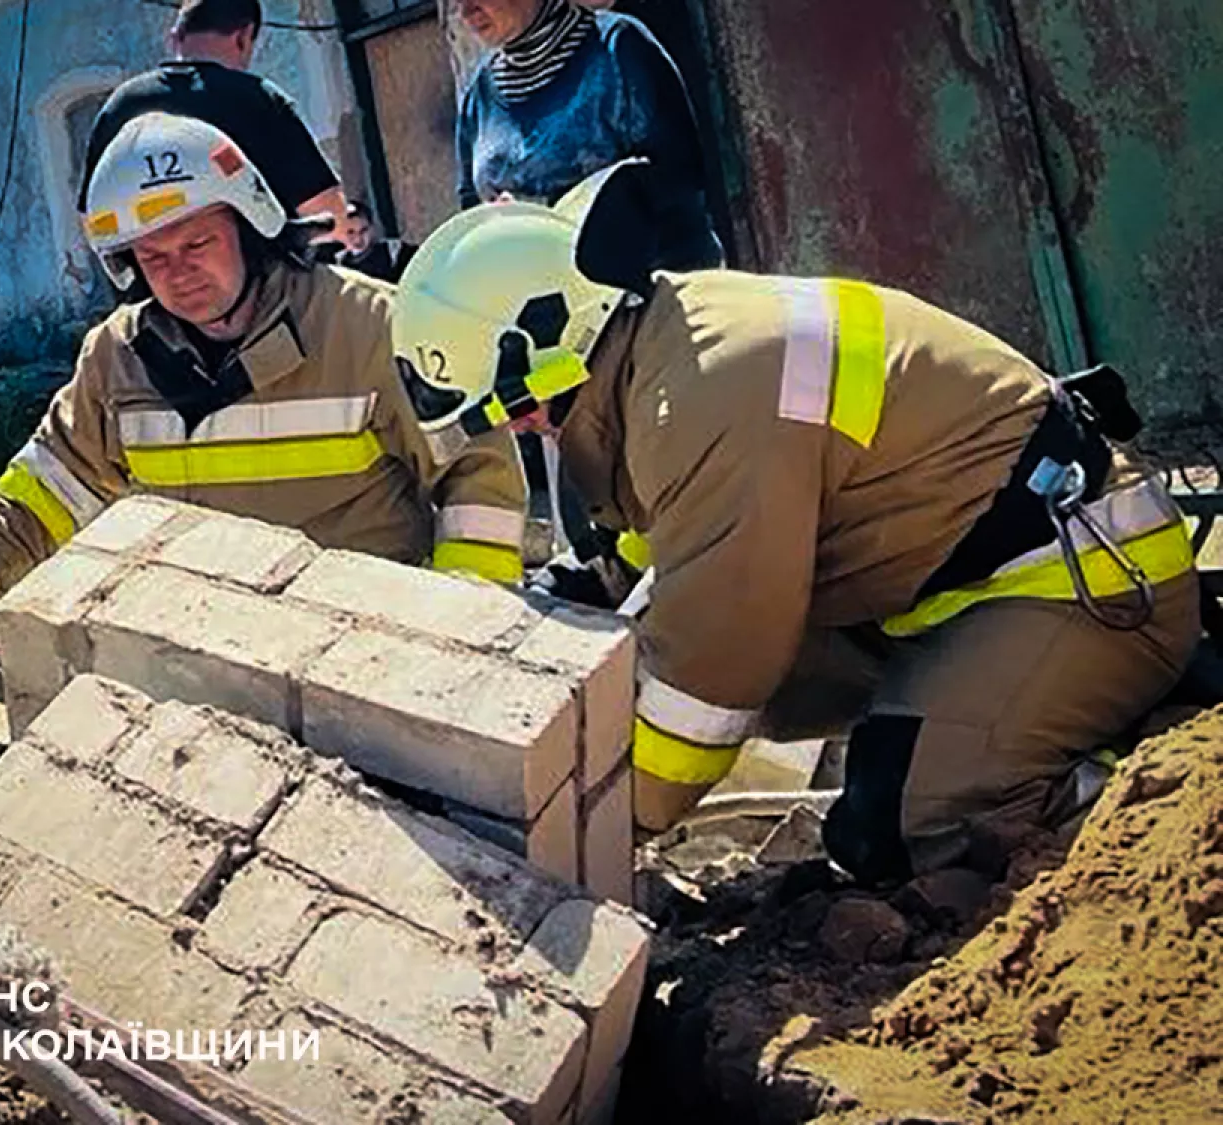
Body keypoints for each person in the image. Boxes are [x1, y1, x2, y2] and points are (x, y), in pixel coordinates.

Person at [389, 164, 1201, 885]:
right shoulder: (658, 353)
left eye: (517, 409)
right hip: (953, 580)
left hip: (1080, 586)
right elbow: (675, 543)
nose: (526, 431)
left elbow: (710, 674)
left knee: (894, 828)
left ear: (555, 347)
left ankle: (1153, 790)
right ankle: (987, 730)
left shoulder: (711, 391)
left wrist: (585, 837)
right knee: (744, 682)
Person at [0, 112, 525, 681]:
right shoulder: (116, 361)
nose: (180, 273)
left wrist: (457, 630)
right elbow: (46, 486)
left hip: (370, 661)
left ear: (250, 225)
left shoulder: (373, 328)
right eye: (154, 258)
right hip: (205, 664)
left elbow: (478, 478)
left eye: (197, 242)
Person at [454, 0, 722, 272]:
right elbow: (471, 209)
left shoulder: (616, 49)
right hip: (552, 304)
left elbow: (680, 172)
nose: (465, 11)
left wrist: (541, 217)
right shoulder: (479, 99)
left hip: (655, 289)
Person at [78, 15, 350, 242]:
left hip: (158, 294)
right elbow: (327, 214)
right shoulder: (257, 98)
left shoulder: (122, 104)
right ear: (244, 36)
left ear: (174, 37)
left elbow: (91, 218)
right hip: (263, 294)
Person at [332, 199, 416, 284]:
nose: (358, 239)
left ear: (372, 227)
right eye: (350, 232)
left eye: (363, 230)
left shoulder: (393, 251)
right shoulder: (337, 265)